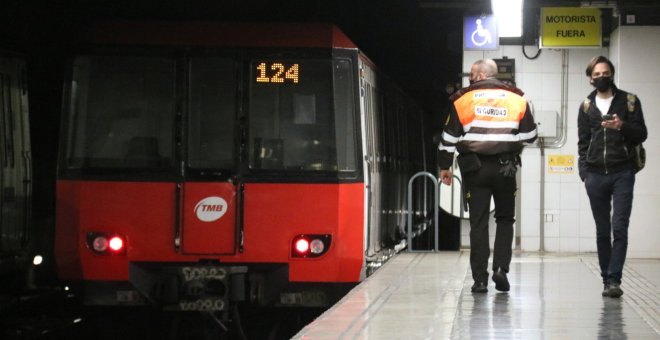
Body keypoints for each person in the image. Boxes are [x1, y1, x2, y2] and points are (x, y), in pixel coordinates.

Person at [438, 59, 537, 293]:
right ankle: (501, 269)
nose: (470, 79)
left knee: (478, 224)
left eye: (472, 75)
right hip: (506, 169)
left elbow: (448, 139)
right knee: (505, 220)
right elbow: (531, 135)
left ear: (482, 75)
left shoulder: (462, 100)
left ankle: (480, 280)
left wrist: (445, 167)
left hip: (476, 169)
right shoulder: (517, 99)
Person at [577, 55, 647, 298]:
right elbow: (582, 143)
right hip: (595, 175)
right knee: (602, 230)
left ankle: (615, 279)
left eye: (605, 73)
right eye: (596, 75)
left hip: (622, 172)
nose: (601, 77)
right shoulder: (586, 106)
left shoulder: (628, 101)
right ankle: (606, 278)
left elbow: (641, 134)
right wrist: (584, 173)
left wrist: (622, 126)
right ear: (590, 78)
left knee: (620, 226)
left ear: (612, 74)